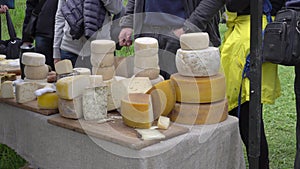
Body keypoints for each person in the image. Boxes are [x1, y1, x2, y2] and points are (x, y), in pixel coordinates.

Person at [220, 0, 285, 168]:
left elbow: (235, 5)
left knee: (245, 115)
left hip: (250, 37)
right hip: (257, 33)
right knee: (247, 114)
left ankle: (260, 165)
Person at [118, 0, 223, 79]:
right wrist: (128, 22)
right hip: (147, 35)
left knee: (184, 99)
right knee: (148, 99)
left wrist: (189, 28)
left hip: (183, 38)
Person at [53, 0, 123, 68]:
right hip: (69, 50)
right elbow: (60, 17)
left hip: (100, 50)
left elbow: (116, 9)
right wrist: (56, 52)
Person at [21, 0, 58, 71]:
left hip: (66, 37)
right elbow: (31, 6)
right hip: (43, 33)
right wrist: (27, 38)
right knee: (41, 72)